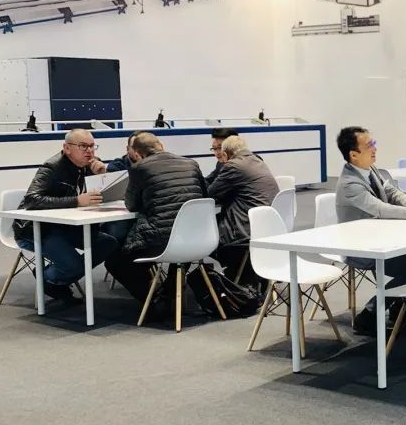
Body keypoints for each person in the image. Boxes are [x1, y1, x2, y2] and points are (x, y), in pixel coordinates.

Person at [334, 126, 406, 335]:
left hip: (384, 239)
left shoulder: (370, 169)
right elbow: (380, 208)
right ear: (354, 155)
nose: (375, 148)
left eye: (374, 143)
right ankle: (369, 314)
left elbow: (390, 191)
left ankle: (400, 307)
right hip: (362, 248)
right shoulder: (349, 183)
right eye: (369, 145)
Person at [104, 133, 208, 313]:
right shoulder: (191, 163)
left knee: (115, 261)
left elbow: (131, 205)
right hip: (196, 238)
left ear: (137, 154)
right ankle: (169, 292)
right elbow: (204, 197)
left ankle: (154, 301)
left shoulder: (139, 168)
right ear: (161, 145)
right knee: (176, 253)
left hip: (160, 241)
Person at [13, 129, 119, 303]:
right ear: (67, 148)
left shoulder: (91, 165)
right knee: (73, 266)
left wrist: (103, 175)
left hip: (67, 226)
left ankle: (56, 278)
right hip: (35, 229)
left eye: (92, 146)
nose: (89, 151)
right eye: (83, 146)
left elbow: (103, 195)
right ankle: (48, 277)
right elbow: (32, 200)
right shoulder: (52, 167)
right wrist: (76, 201)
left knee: (108, 243)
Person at [206, 136, 279, 290]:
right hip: (268, 226)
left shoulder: (233, 165)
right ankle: (243, 272)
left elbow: (210, 193)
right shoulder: (257, 160)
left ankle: (235, 273)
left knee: (204, 231)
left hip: (245, 229)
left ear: (226, 153)